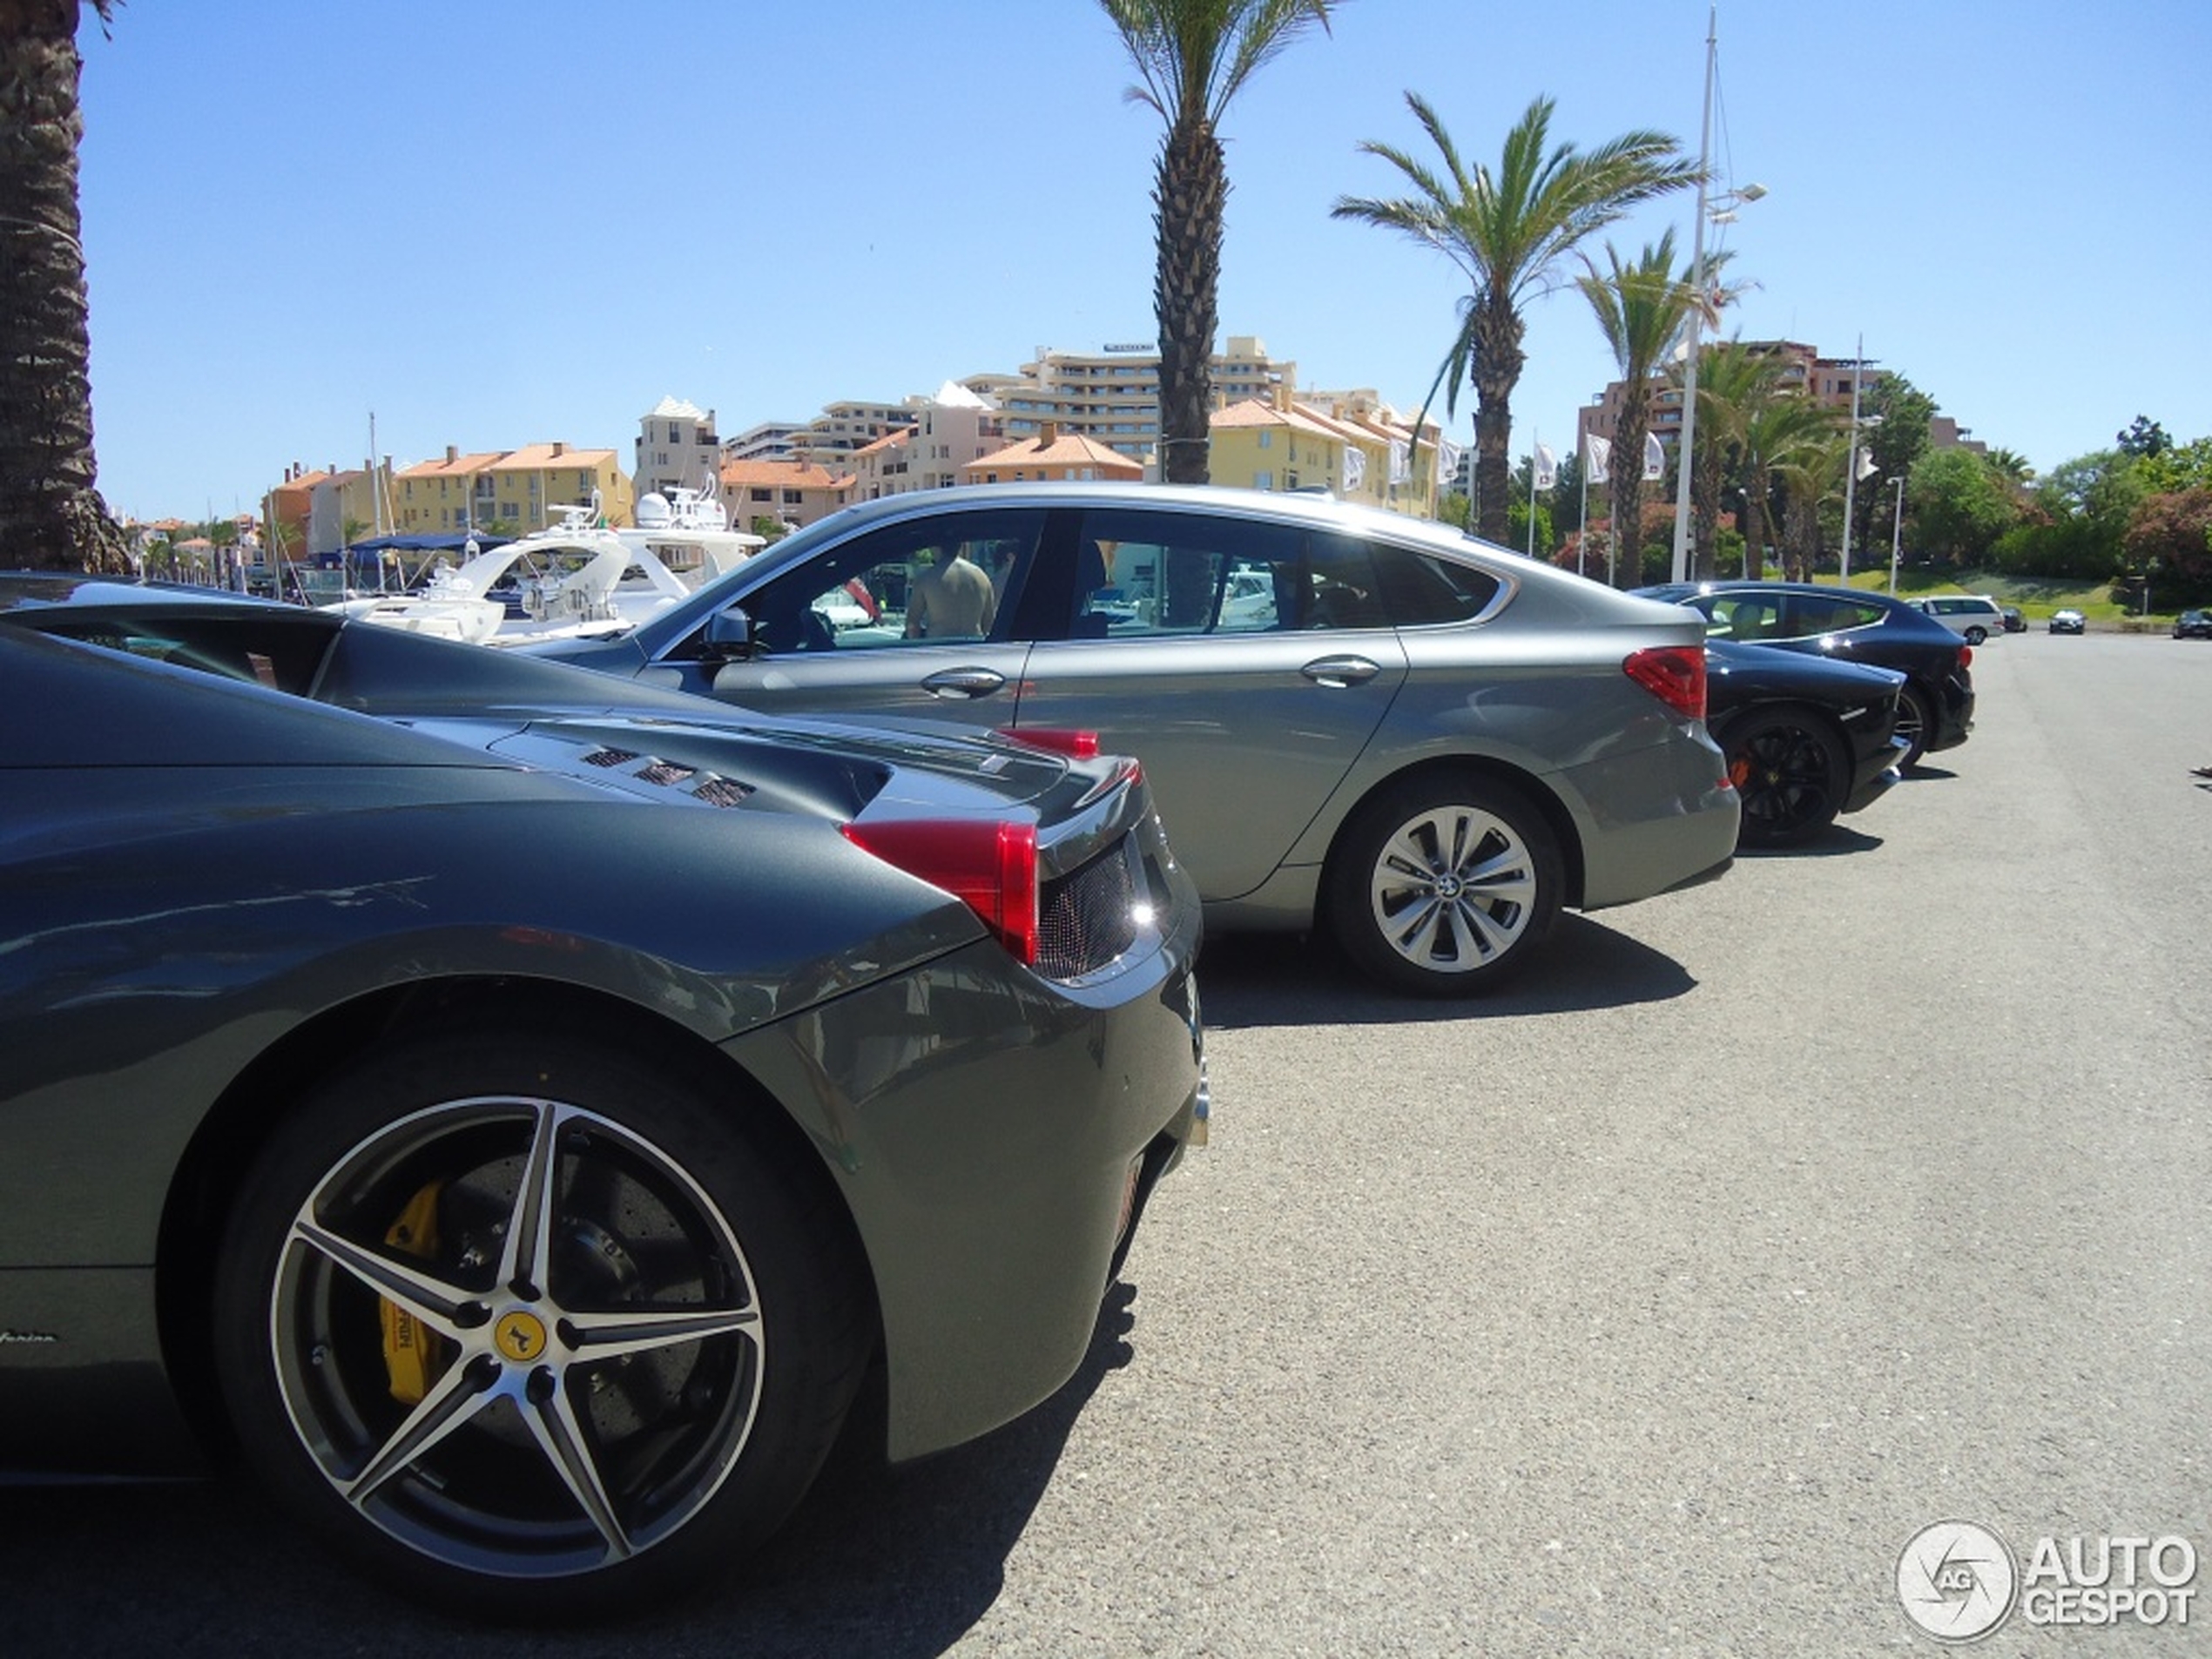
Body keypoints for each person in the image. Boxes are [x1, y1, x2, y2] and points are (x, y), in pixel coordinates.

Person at [905, 548, 996, 639]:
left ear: (936, 547)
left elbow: (912, 624)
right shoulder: (982, 577)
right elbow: (989, 623)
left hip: (938, 647)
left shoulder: (926, 579)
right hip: (973, 647)